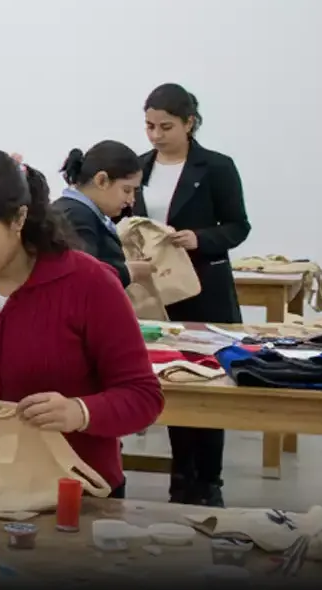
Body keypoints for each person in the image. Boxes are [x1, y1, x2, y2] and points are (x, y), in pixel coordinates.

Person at [0, 144, 163, 497]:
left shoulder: (89, 283)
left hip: (76, 492)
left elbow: (143, 396)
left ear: (18, 219)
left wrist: (79, 412)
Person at [131, 83, 248, 507]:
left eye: (165, 126)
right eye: (149, 126)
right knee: (171, 381)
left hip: (204, 286)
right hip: (157, 288)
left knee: (210, 382)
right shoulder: (140, 168)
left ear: (189, 123)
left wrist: (200, 238)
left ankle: (209, 481)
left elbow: (238, 226)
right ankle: (181, 478)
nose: (156, 135)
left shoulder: (215, 167)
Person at [54, 141, 148, 287]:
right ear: (101, 180)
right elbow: (83, 277)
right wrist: (129, 272)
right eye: (127, 190)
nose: (131, 200)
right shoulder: (77, 217)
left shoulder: (71, 210)